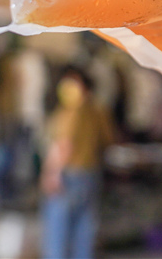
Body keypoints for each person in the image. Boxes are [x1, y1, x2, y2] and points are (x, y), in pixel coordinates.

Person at [40, 66, 115, 259]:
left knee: (57, 235)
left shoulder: (70, 112)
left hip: (68, 176)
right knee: (84, 233)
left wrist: (51, 174)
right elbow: (109, 140)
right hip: (91, 174)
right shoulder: (99, 110)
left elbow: (63, 146)